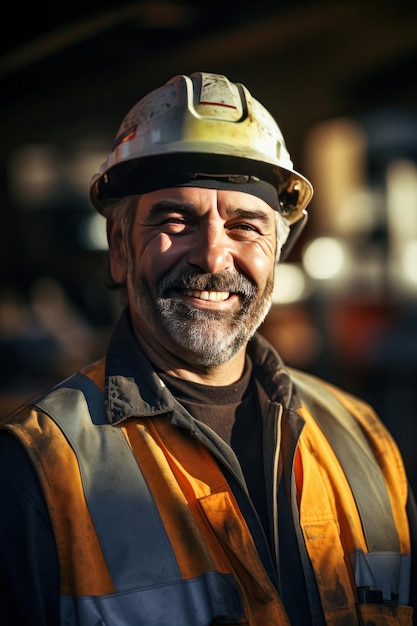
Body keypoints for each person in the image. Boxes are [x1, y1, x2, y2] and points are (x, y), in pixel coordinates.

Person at [0, 71, 415, 626]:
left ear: (277, 253)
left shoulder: (361, 437)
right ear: (120, 249)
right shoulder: (34, 472)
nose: (214, 257)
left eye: (246, 225)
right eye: (177, 220)